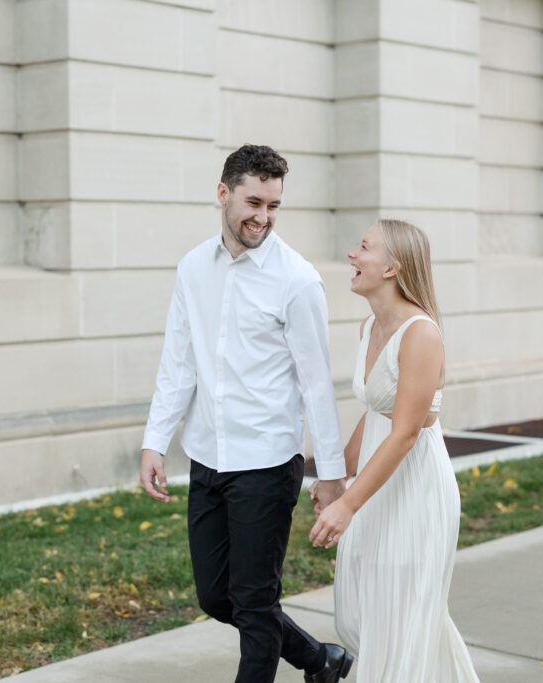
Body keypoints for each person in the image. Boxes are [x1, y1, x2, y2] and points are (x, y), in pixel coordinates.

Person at [139, 144, 354, 683]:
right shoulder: (192, 268)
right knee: (217, 596)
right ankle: (319, 659)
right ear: (223, 194)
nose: (263, 217)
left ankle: (308, 663)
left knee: (256, 606)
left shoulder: (297, 280)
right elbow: (178, 361)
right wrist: (154, 440)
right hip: (208, 458)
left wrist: (330, 474)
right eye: (253, 202)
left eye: (274, 205)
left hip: (265, 461)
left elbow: (316, 387)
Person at [308, 219, 480, 682]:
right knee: (360, 615)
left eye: (363, 247)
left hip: (416, 493)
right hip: (375, 485)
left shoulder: (420, 333)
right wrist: (334, 474)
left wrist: (348, 503)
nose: (352, 255)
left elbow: (405, 432)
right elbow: (376, 411)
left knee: (400, 623)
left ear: (391, 267)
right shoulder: (370, 326)